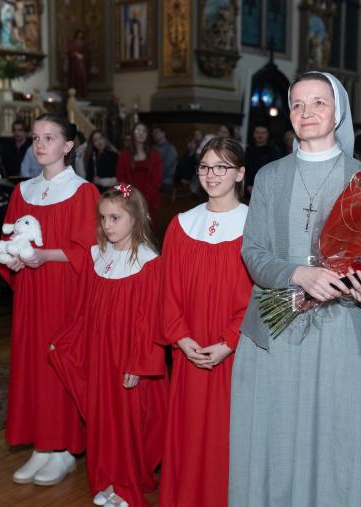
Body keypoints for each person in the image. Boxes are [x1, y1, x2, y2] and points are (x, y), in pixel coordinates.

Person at [229, 71, 361, 507]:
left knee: (337, 444)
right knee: (275, 439)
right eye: (297, 104)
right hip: (277, 330)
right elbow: (253, 253)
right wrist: (299, 274)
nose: (307, 112)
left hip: (345, 332)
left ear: (338, 112)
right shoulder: (269, 176)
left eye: (319, 102)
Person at [0, 113, 100, 486]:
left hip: (65, 292)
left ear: (68, 146)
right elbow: (7, 239)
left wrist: (45, 255)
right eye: (36, 138)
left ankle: (64, 449)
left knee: (59, 364)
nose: (40, 144)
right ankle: (42, 443)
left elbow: (92, 250)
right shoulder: (23, 191)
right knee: (32, 363)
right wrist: (12, 258)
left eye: (49, 138)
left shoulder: (84, 192)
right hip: (30, 292)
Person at [49, 183, 168, 507]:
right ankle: (106, 478)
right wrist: (70, 342)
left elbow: (150, 320)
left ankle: (126, 485)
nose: (107, 225)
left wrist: (139, 364)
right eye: (103, 218)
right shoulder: (98, 256)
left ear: (136, 218)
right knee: (103, 420)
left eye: (115, 218)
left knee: (128, 424)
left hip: (128, 359)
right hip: (101, 356)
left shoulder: (148, 262)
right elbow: (85, 310)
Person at [159, 137, 253, 507]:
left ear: (240, 173)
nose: (211, 175)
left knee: (224, 437)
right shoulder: (182, 225)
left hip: (234, 355)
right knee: (188, 431)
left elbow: (258, 295)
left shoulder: (254, 225)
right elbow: (167, 292)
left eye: (221, 167)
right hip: (189, 352)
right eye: (205, 167)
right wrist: (181, 339)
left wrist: (229, 342)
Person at [116, 123, 163, 218]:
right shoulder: (124, 155)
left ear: (147, 134)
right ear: (133, 134)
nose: (141, 133)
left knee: (147, 225)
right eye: (138, 130)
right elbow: (120, 178)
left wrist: (144, 199)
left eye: (144, 131)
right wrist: (129, 196)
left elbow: (157, 179)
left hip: (150, 198)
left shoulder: (154, 155)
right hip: (128, 198)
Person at [244, 125, 281, 195]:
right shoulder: (249, 149)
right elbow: (245, 169)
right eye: (257, 132)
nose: (260, 135)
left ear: (267, 134)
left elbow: (275, 171)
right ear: (253, 134)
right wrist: (248, 185)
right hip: (248, 188)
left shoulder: (273, 151)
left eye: (263, 133)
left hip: (267, 189)